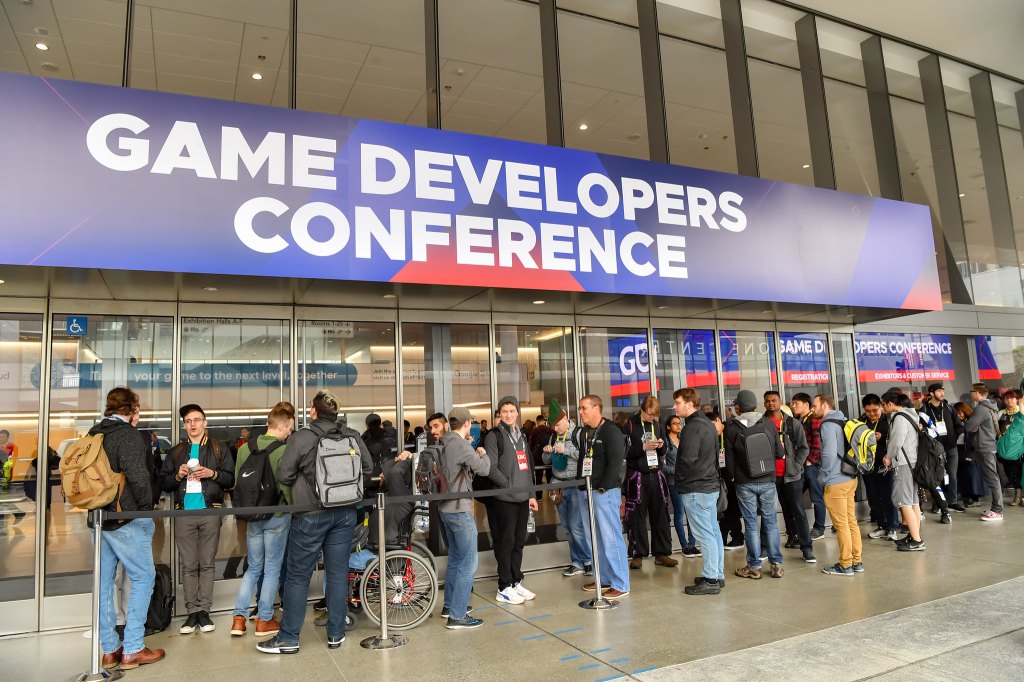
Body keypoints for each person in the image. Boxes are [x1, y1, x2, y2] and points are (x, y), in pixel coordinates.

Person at [258, 391, 374, 655]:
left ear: (313, 411)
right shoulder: (352, 436)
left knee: (298, 576)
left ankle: (288, 638)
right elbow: (367, 470)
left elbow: (284, 475)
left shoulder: (301, 437)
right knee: (336, 573)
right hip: (345, 513)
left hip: (310, 514)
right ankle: (336, 634)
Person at [93, 388, 165, 671]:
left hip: (99, 518)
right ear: (133, 409)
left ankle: (109, 649)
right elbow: (138, 477)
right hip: (126, 518)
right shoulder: (128, 436)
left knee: (104, 584)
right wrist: (146, 510)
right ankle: (133, 647)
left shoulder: (95, 433)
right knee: (143, 576)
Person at [161, 403, 235, 634]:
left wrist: (212, 473)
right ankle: (191, 612)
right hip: (183, 513)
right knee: (189, 564)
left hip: (210, 511)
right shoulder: (176, 452)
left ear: (205, 422)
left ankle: (204, 611)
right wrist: (177, 475)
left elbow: (230, 480)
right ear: (184, 426)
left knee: (207, 563)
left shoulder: (217, 448)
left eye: (196, 420)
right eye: (188, 421)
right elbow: (164, 484)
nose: (192, 424)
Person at [230, 405, 295, 639]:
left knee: (254, 567)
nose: (290, 433)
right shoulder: (283, 450)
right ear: (281, 426)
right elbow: (285, 484)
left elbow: (239, 482)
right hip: (276, 515)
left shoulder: (245, 448)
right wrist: (292, 505)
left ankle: (238, 619)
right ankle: (264, 619)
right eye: (289, 428)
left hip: (252, 517)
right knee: (272, 569)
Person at [482, 395, 539, 604]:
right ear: (499, 414)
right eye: (504, 412)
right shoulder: (494, 436)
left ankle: (516, 580)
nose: (508, 415)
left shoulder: (521, 435)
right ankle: (504, 586)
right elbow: (491, 468)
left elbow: (528, 467)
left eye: (512, 411)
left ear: (517, 413)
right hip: (504, 498)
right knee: (505, 542)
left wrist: (531, 494)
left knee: (518, 542)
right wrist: (507, 484)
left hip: (522, 497)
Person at [438, 406, 491, 629]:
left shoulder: (446, 441)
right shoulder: (461, 445)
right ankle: (458, 615)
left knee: (456, 559)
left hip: (445, 508)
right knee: (469, 562)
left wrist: (468, 445)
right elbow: (483, 469)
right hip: (459, 509)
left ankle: (450, 606)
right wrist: (483, 453)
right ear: (468, 423)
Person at [724, 390, 784, 580]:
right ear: (756, 406)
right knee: (771, 522)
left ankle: (754, 566)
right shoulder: (768, 424)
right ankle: (776, 564)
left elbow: (729, 460)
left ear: (737, 408)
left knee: (750, 524)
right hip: (767, 480)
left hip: (744, 483)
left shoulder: (732, 427)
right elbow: (779, 453)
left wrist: (732, 477)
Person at [576, 394, 629, 598]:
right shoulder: (584, 433)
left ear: (597, 408)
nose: (581, 412)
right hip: (586, 490)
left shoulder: (610, 431)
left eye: (584, 408)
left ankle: (621, 583)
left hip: (604, 493)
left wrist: (603, 488)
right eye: (580, 408)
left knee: (611, 537)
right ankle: (604, 579)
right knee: (595, 538)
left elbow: (615, 464)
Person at [674, 388, 725, 596]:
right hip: (708, 486)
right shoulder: (708, 424)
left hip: (696, 488)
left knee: (705, 535)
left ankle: (711, 579)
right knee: (713, 532)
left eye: (678, 402)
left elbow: (687, 460)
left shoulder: (692, 428)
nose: (675, 407)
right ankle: (716, 574)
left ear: (689, 403)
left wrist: (679, 480)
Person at [623, 396, 677, 569]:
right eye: (649, 414)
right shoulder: (630, 424)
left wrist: (660, 445)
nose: (651, 417)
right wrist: (642, 447)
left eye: (654, 415)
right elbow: (623, 450)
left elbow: (662, 452)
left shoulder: (657, 424)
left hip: (656, 474)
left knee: (661, 514)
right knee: (637, 516)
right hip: (637, 475)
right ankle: (638, 554)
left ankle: (662, 553)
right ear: (642, 410)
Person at [542, 399, 593, 577]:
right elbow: (546, 462)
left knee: (576, 525)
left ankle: (588, 560)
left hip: (576, 484)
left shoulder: (579, 433)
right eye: (553, 427)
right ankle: (576, 562)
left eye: (557, 425)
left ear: (565, 419)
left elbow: (586, 455)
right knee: (567, 527)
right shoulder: (553, 436)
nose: (555, 429)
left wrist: (566, 450)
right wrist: (547, 452)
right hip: (558, 485)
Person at [815, 395, 864, 575]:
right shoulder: (843, 420)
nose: (813, 409)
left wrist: (822, 477)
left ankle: (845, 565)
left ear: (825, 405)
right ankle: (856, 561)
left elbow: (828, 455)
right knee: (851, 521)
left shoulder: (828, 425)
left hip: (835, 481)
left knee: (841, 524)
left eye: (815, 405)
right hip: (850, 478)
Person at [764, 391, 814, 564]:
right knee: (767, 513)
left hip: (791, 476)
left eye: (774, 401)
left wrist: (796, 466)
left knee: (798, 511)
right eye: (768, 401)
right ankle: (766, 548)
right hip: (769, 477)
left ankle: (807, 548)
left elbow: (803, 448)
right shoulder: (761, 423)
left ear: (780, 402)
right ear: (764, 404)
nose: (771, 404)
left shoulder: (792, 423)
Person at [880, 390, 925, 550]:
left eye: (883, 405)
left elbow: (897, 440)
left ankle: (917, 541)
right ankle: (913, 535)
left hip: (904, 464)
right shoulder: (911, 414)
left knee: (903, 501)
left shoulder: (899, 417)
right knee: (913, 501)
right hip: (913, 462)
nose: (883, 408)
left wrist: (889, 456)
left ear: (890, 404)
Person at [964, 382, 1004, 521]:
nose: (971, 394)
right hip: (988, 445)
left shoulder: (981, 408)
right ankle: (995, 508)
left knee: (992, 478)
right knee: (992, 477)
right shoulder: (991, 407)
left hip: (985, 447)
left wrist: (974, 426)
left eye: (972, 391)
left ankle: (998, 511)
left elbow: (969, 426)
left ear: (976, 393)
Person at [922, 383, 964, 513]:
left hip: (951, 447)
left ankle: (953, 501)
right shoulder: (924, 410)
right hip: (935, 450)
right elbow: (922, 430)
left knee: (952, 475)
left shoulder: (948, 407)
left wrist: (953, 438)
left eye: (943, 391)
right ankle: (938, 503)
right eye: (939, 391)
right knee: (937, 477)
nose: (942, 393)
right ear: (931, 393)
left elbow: (959, 425)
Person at [862, 394, 899, 541]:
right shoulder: (861, 422)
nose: (872, 414)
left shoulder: (889, 420)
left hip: (885, 465)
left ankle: (892, 527)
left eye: (875, 410)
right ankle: (881, 526)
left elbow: (896, 439)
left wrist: (882, 437)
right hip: (867, 466)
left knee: (888, 496)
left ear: (881, 407)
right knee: (873, 497)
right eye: (868, 411)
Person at [663, 414, 700, 558]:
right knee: (680, 513)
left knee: (692, 513)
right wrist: (678, 471)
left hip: (689, 481)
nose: (678, 426)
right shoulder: (665, 443)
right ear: (668, 426)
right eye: (674, 423)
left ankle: (692, 544)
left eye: (680, 423)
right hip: (674, 482)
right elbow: (662, 466)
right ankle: (684, 545)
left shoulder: (683, 440)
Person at [791, 393, 827, 541]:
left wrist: (811, 460)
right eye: (792, 404)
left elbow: (817, 443)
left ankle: (819, 528)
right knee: (796, 495)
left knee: (816, 497)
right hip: (803, 466)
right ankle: (798, 528)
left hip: (812, 465)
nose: (793, 406)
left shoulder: (813, 420)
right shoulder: (800, 419)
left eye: (796, 403)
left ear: (806, 405)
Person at [997, 390, 1024, 507]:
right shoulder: (1001, 413)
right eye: (1007, 398)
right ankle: (1017, 495)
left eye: (1012, 398)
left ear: (1018, 399)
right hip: (1007, 446)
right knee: (1011, 472)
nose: (1010, 400)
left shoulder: (1021, 412)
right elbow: (996, 428)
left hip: (1021, 446)